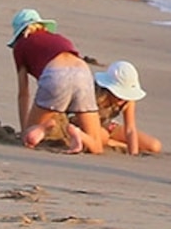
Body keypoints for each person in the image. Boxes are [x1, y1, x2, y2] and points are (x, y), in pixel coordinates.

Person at [8, 10, 103, 151]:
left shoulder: (21, 45)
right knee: (97, 145)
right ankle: (78, 134)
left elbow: (23, 93)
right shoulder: (60, 38)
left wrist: (24, 130)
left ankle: (45, 126)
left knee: (30, 136)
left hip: (56, 74)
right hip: (83, 72)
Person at [93, 61, 160, 156]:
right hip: (84, 124)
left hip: (107, 125)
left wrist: (133, 153)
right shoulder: (96, 94)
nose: (123, 99)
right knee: (103, 136)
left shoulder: (128, 100)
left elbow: (130, 129)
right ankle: (110, 142)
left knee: (154, 146)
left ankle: (112, 142)